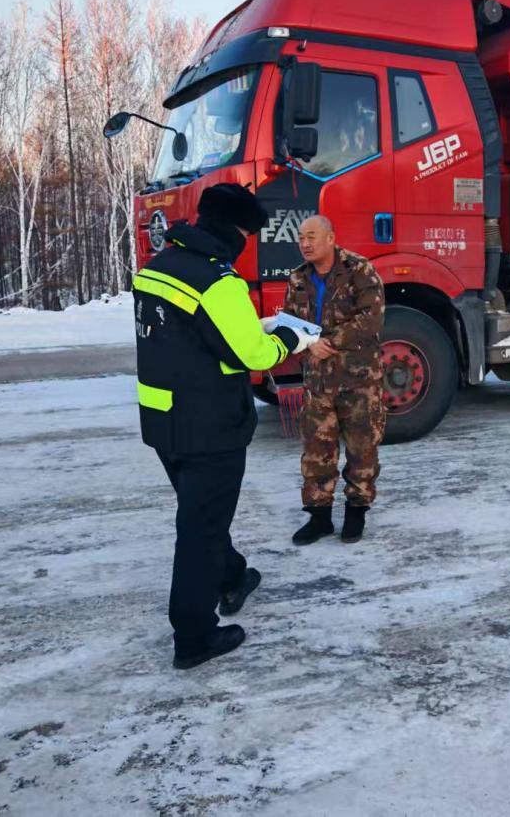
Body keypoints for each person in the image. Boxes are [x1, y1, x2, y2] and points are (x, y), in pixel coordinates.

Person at [134, 183, 315, 669]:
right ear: (235, 230)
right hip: (209, 427)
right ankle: (193, 637)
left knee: (201, 513)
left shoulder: (159, 266)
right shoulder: (218, 281)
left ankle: (232, 577)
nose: (247, 245)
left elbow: (191, 335)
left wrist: (248, 327)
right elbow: (252, 354)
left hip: (163, 419)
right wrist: (288, 338)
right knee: (199, 528)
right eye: (248, 236)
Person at [283, 215, 385, 545]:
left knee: (362, 447)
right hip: (317, 381)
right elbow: (290, 322)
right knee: (316, 451)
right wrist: (308, 344)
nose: (305, 243)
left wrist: (331, 342)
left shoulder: (359, 270)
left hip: (358, 380)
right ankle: (319, 518)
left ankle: (356, 512)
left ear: (331, 238)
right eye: (301, 238)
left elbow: (371, 318)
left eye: (311, 236)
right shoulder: (298, 277)